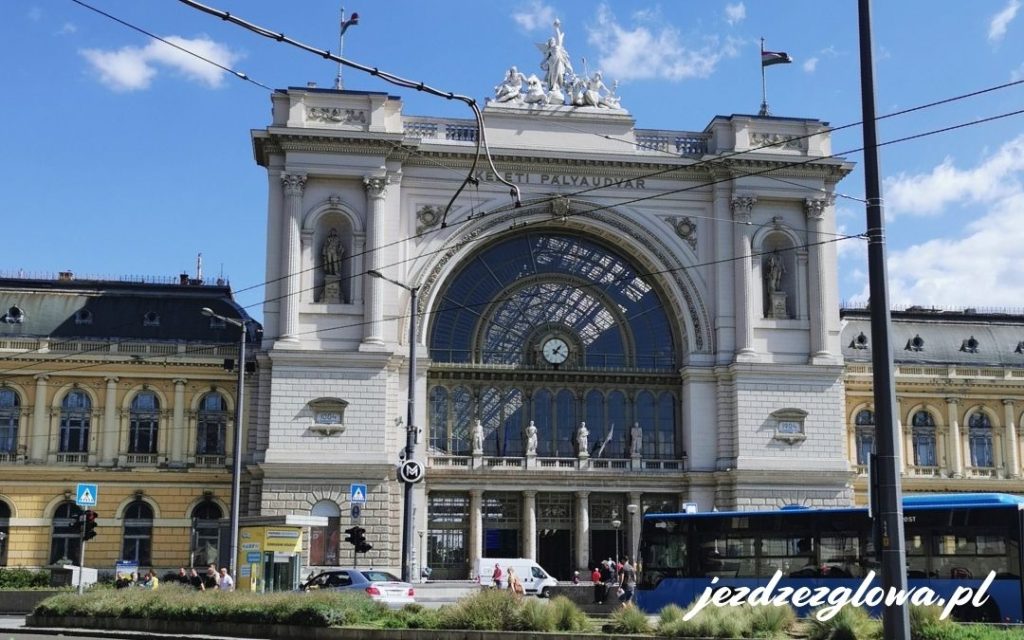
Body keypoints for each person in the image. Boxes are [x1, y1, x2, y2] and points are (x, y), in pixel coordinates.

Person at [537, 19, 573, 95]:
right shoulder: (549, 50)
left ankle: (559, 88)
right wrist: (541, 64)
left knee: (560, 74)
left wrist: (556, 28)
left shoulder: (558, 47)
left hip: (559, 61)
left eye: (553, 41)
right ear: (549, 44)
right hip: (552, 62)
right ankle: (553, 87)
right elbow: (545, 58)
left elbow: (558, 38)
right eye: (551, 42)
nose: (553, 42)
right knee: (553, 74)